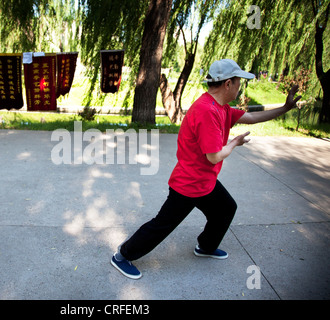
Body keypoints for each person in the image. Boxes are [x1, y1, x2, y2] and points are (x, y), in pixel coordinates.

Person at [111, 59, 301, 280]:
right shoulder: (207, 111)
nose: (240, 87)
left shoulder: (221, 108)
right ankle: (122, 256)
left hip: (205, 182)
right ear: (228, 84)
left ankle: (206, 246)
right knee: (162, 225)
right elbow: (214, 157)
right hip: (189, 185)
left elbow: (251, 117)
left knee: (226, 208)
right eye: (239, 82)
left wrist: (285, 108)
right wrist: (234, 143)